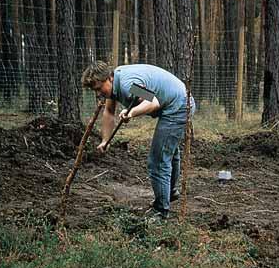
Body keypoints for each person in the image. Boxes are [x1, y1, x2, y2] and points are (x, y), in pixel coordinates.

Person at [81, 61, 195, 220]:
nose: (99, 93)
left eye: (99, 88)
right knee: (168, 152)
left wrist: (131, 112)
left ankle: (161, 211)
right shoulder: (115, 84)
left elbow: (152, 102)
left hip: (179, 105)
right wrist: (105, 140)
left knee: (158, 160)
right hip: (174, 102)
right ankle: (169, 193)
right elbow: (109, 112)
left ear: (109, 78)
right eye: (95, 90)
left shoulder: (128, 84)